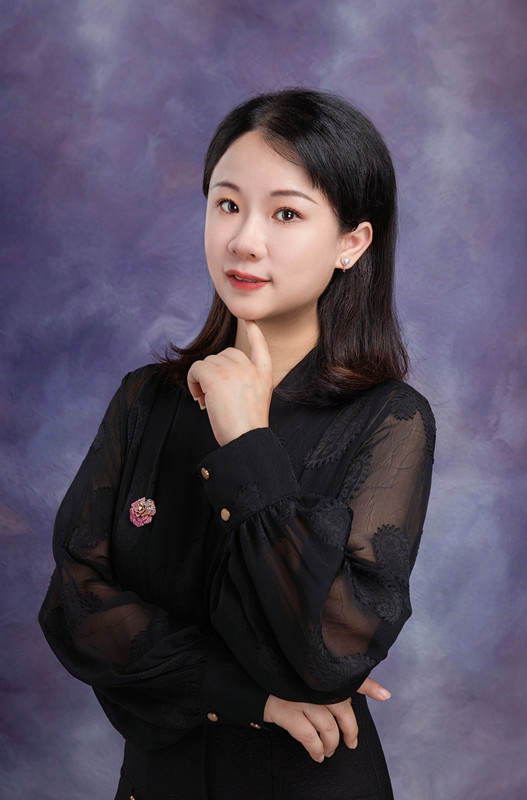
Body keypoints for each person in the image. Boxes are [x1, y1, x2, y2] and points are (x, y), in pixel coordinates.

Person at [39, 88, 435, 800]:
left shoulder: (389, 420)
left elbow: (329, 652)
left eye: (286, 213)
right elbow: (76, 606)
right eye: (227, 204)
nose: (244, 240)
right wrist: (252, 697)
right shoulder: (146, 399)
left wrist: (248, 441)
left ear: (351, 243)